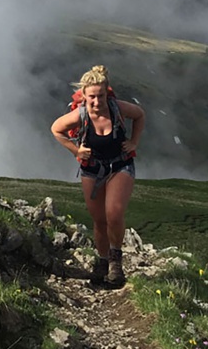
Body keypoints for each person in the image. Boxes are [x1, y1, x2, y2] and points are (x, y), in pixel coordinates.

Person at [50, 64, 145, 288]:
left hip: (120, 165)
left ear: (106, 93)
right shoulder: (80, 115)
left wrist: (134, 142)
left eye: (100, 96)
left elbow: (139, 115)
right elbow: (56, 129)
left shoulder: (117, 108)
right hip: (92, 169)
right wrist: (76, 151)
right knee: (99, 220)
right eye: (91, 96)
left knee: (114, 213)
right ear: (84, 95)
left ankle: (115, 262)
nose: (96, 101)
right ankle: (102, 262)